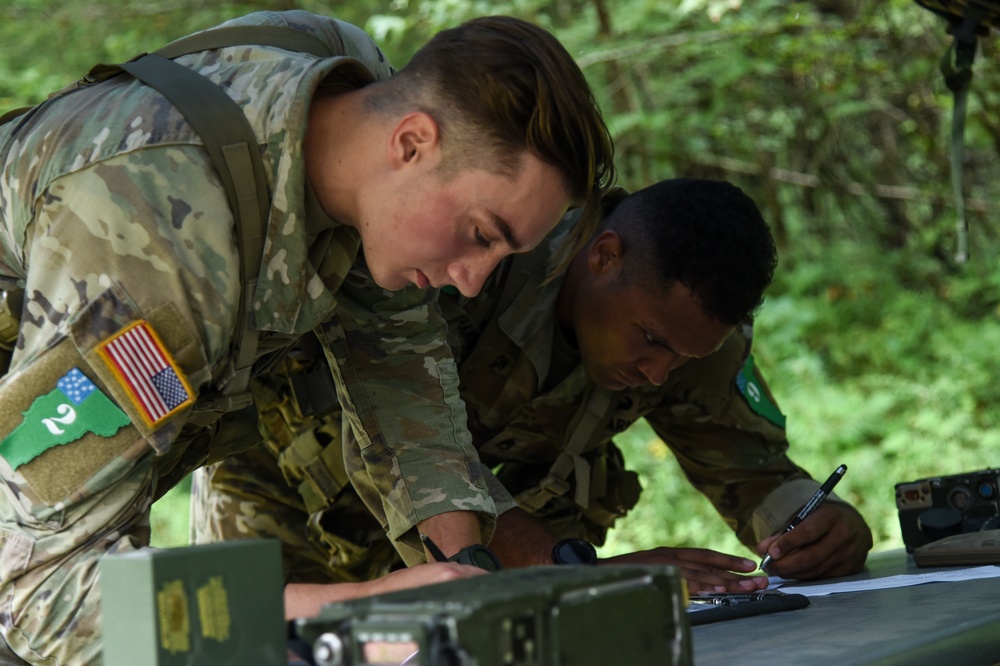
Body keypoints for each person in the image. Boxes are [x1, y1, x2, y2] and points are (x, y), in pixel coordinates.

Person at [0, 9, 615, 664]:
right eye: (481, 234)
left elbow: (400, 371)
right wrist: (356, 609)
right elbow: (44, 598)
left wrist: (465, 581)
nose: (471, 282)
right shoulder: (157, 243)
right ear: (411, 143)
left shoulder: (344, 91)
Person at [192, 178, 873, 606]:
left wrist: (811, 526)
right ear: (603, 256)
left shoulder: (688, 330)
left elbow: (751, 470)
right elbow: (395, 454)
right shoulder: (471, 266)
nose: (660, 372)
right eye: (652, 341)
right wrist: (578, 571)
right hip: (294, 528)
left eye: (683, 355)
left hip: (499, 576)